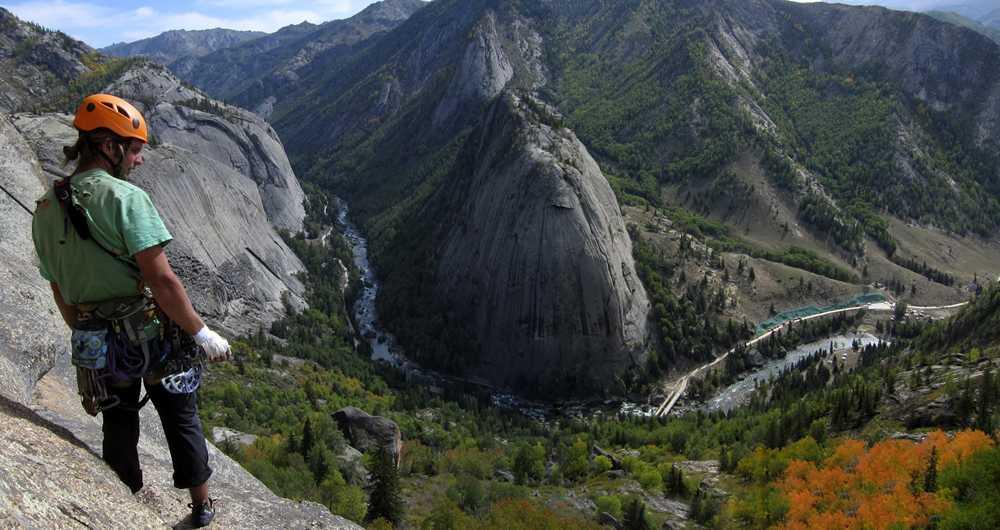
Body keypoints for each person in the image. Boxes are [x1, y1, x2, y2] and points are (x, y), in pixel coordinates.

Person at [31, 94, 231, 528]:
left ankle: (126, 504)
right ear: (108, 144)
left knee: (117, 424)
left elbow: (57, 285)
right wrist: (201, 332)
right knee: (180, 414)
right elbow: (162, 281)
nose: (139, 160)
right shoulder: (126, 199)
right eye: (135, 149)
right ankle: (201, 508)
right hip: (149, 332)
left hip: (93, 338)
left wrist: (82, 328)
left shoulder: (45, 208)